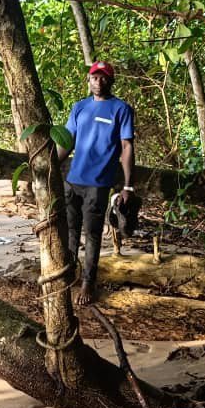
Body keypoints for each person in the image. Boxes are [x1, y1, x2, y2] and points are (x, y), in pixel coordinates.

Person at [57, 61, 135, 305]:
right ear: (88, 80)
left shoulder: (121, 109)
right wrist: (48, 166)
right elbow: (67, 141)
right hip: (73, 181)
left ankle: (88, 283)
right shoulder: (79, 107)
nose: (98, 82)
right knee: (70, 232)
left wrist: (128, 186)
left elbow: (126, 146)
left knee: (91, 235)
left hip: (98, 184)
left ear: (110, 81)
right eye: (94, 77)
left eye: (103, 78)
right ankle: (68, 276)